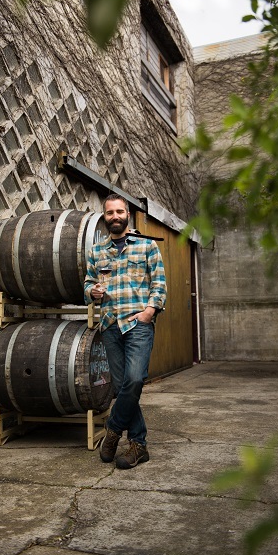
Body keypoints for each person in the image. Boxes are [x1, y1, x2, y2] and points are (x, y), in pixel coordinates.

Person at [84, 193, 167, 469]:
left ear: (128, 214)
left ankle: (113, 429)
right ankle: (138, 445)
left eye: (120, 212)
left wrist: (149, 312)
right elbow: (87, 286)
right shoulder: (97, 251)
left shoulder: (146, 246)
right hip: (109, 324)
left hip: (137, 324)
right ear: (104, 217)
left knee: (134, 379)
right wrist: (92, 292)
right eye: (110, 213)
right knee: (120, 388)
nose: (115, 217)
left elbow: (160, 284)